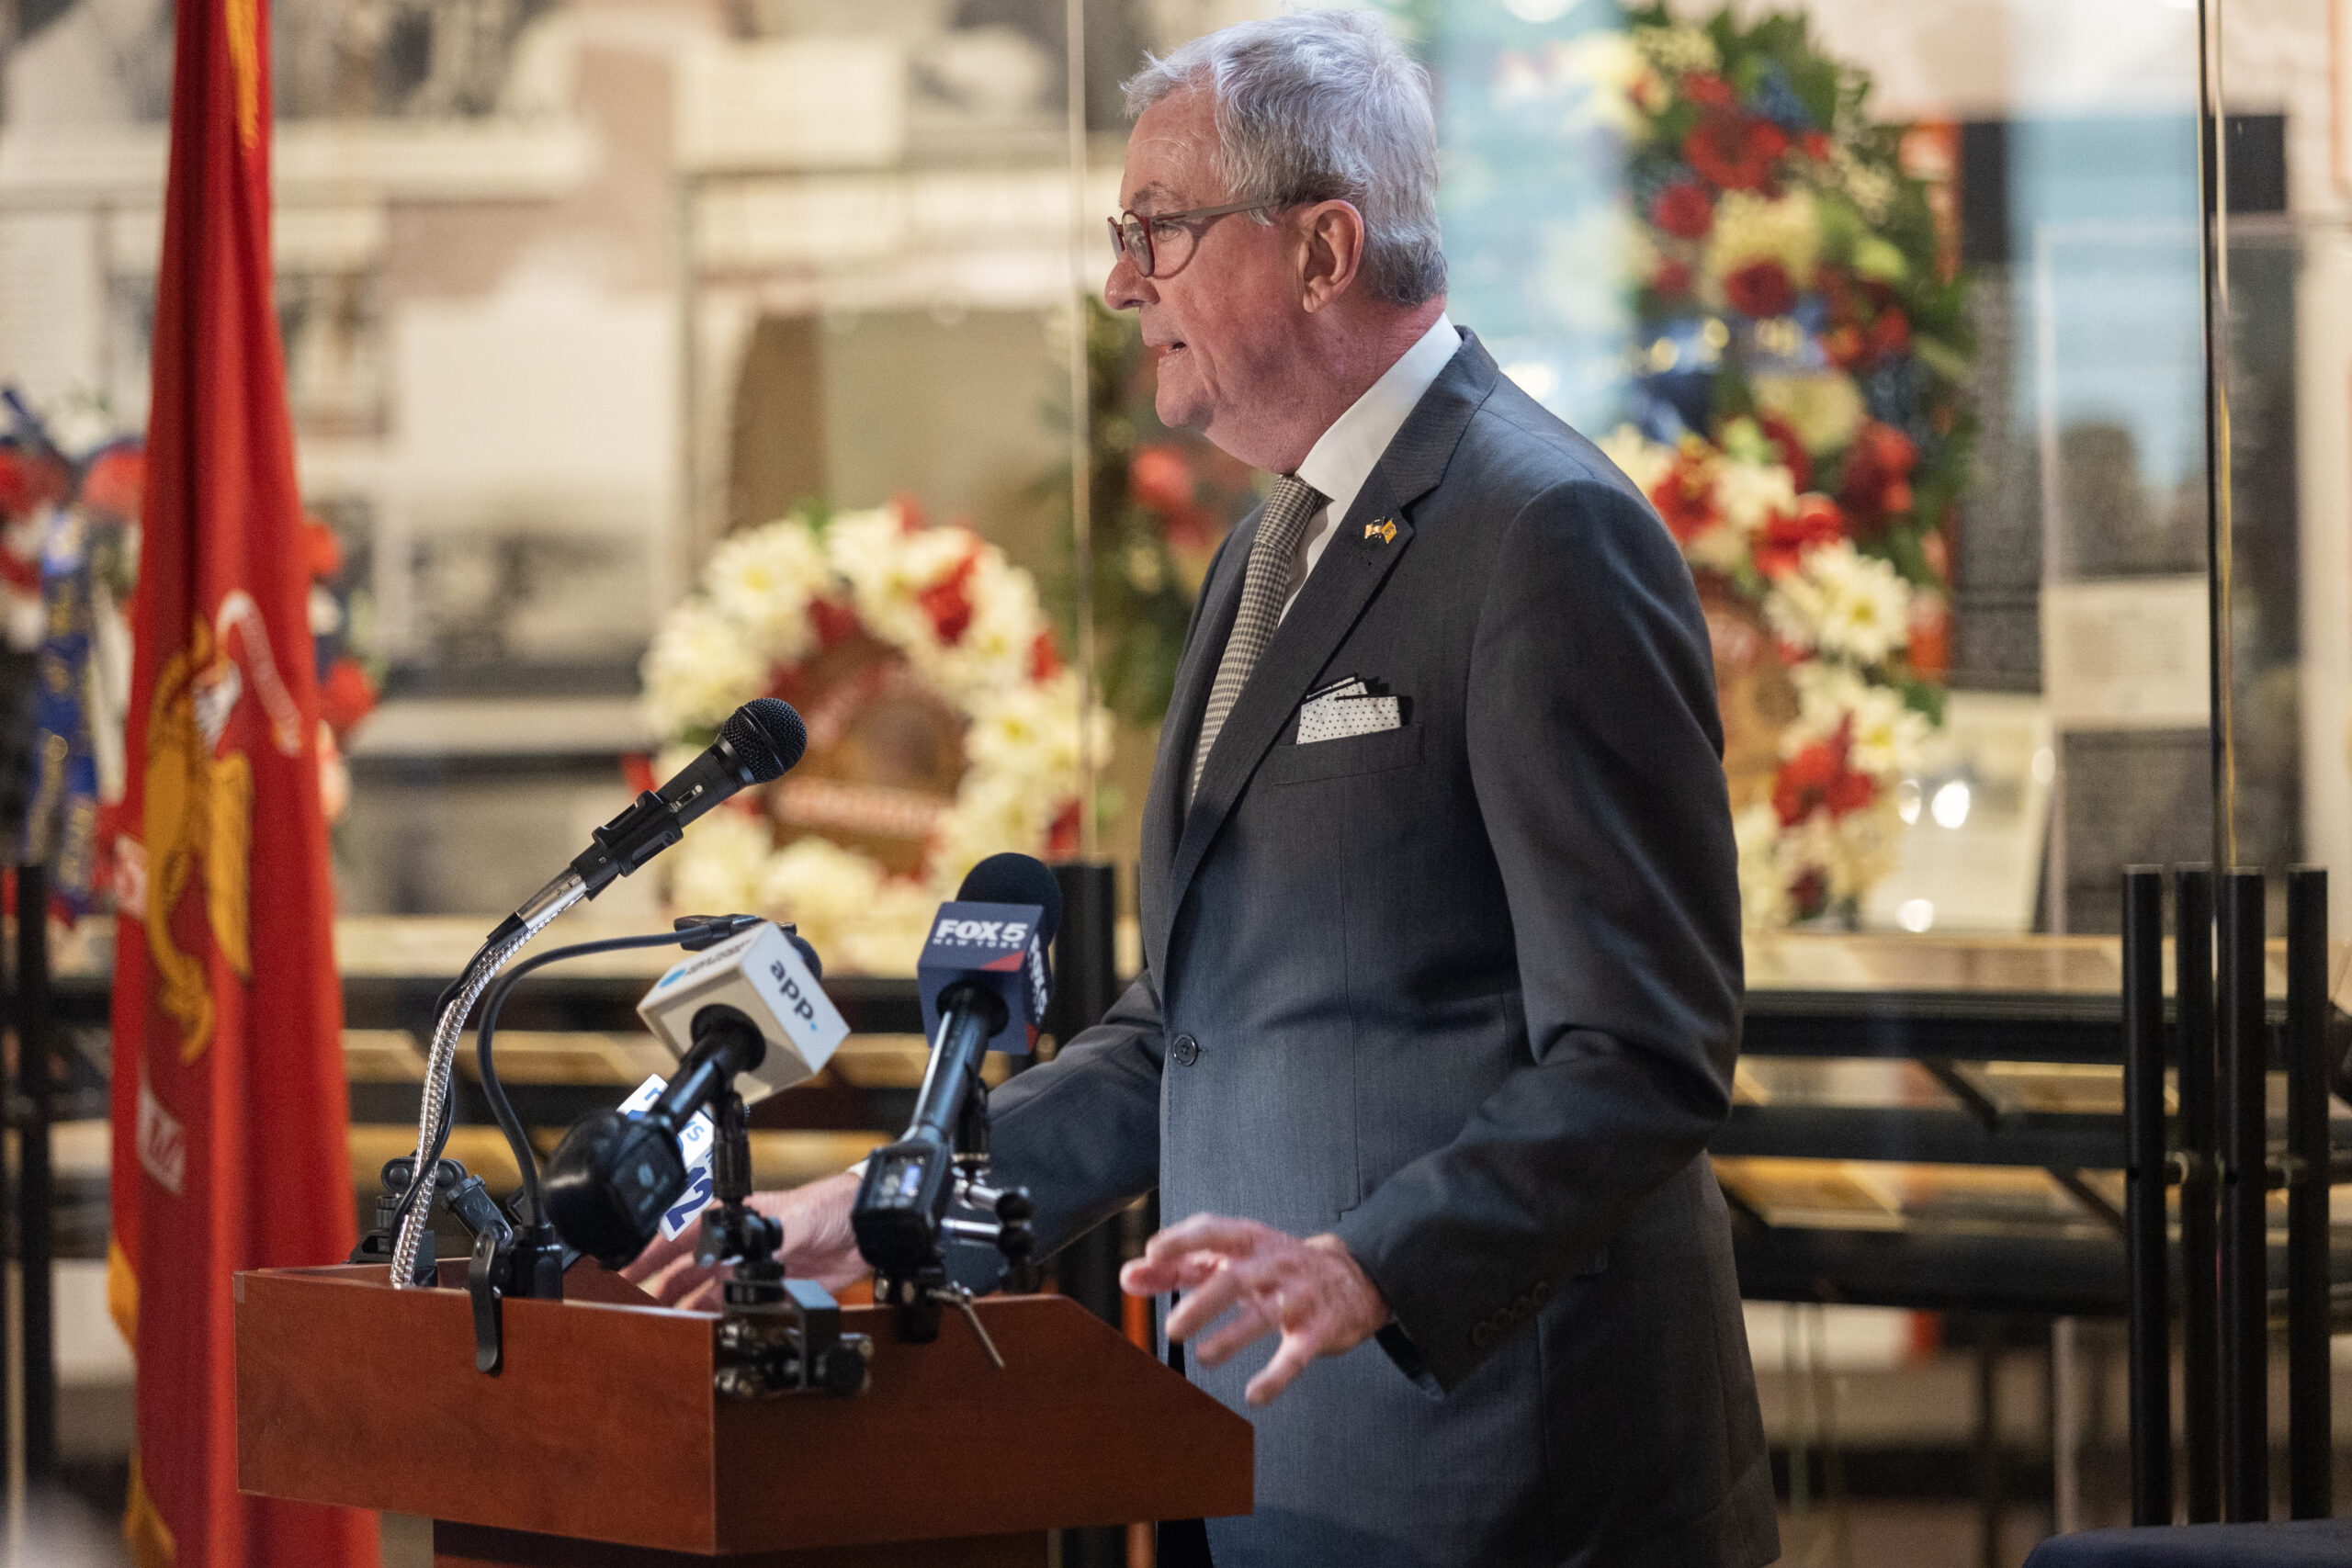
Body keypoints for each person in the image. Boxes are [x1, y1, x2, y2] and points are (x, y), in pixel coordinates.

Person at [628, 11, 1776, 1565]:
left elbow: (1644, 1050)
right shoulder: (1268, 544)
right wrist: (898, 1193)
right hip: (1275, 1463)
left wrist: (1373, 1266)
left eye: (1158, 230)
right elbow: (1185, 1028)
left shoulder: (1544, 533)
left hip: (1515, 1482)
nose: (1122, 284)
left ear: (1323, 251)